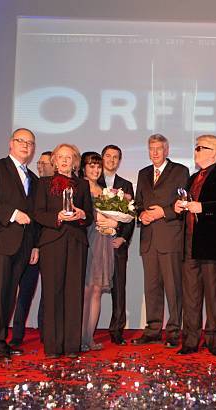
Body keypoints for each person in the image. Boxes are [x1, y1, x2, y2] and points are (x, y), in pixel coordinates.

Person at [0, 127, 39, 361]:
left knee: (9, 295)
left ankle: (0, 340)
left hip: (22, 246)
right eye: (21, 141)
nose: (26, 146)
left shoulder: (33, 178)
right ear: (11, 143)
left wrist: (34, 245)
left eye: (30, 143)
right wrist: (13, 213)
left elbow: (33, 216)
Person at [175, 135, 216, 356]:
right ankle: (191, 340)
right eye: (195, 148)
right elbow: (188, 209)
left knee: (214, 296)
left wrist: (202, 207)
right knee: (191, 296)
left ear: (213, 152)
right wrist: (179, 208)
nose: (195, 151)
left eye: (199, 148)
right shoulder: (192, 177)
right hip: (189, 244)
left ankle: (214, 342)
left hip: (212, 244)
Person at [34, 143, 93, 358]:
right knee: (52, 293)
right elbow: (38, 213)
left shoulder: (83, 185)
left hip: (77, 242)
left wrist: (81, 215)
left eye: (69, 157)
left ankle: (71, 346)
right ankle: (53, 346)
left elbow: (90, 217)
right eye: (61, 157)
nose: (65, 160)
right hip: (52, 242)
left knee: (74, 293)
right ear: (55, 161)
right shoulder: (43, 183)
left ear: (75, 161)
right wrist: (57, 217)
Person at [133, 134, 189, 348]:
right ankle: (153, 330)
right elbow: (138, 203)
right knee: (152, 288)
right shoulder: (143, 173)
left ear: (166, 150)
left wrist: (161, 213)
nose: (155, 152)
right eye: (151, 148)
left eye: (159, 148)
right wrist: (141, 215)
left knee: (173, 288)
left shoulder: (180, 171)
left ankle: (174, 331)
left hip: (170, 238)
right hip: (148, 240)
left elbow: (182, 203)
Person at [10, 150, 53, 347]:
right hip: (32, 246)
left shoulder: (62, 187)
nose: (40, 166)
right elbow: (33, 218)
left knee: (49, 293)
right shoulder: (32, 183)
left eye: (45, 163)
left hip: (52, 246)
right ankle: (17, 336)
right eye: (39, 163)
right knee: (25, 291)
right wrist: (35, 245)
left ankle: (47, 334)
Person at [80, 152, 119, 352]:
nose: (95, 170)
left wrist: (114, 224)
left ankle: (89, 338)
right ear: (83, 168)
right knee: (85, 291)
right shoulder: (78, 187)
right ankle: (78, 338)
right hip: (85, 241)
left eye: (98, 166)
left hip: (103, 242)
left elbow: (114, 217)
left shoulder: (105, 191)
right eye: (91, 166)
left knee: (96, 291)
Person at [98, 145, 134, 346]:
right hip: (96, 244)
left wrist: (123, 238)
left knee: (119, 288)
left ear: (120, 161)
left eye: (116, 157)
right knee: (91, 288)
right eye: (108, 156)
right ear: (102, 158)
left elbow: (131, 217)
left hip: (116, 244)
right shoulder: (92, 181)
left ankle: (117, 329)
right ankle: (86, 327)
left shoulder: (126, 185)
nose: (111, 160)